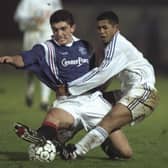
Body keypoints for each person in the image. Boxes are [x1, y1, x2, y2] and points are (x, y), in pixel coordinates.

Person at [0, 9, 132, 160]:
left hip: (93, 101)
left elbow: (97, 74)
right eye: (55, 30)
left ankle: (102, 141)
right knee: (53, 115)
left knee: (125, 152)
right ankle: (40, 136)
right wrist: (10, 59)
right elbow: (24, 58)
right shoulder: (45, 49)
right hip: (68, 103)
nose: (59, 34)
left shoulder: (85, 47)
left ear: (72, 28)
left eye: (63, 28)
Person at [60, 11, 159, 159]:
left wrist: (70, 88)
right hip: (129, 92)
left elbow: (102, 74)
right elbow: (107, 77)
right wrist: (92, 93)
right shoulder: (112, 46)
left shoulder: (117, 46)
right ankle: (60, 137)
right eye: (99, 28)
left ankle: (75, 151)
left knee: (108, 120)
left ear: (115, 28)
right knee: (90, 103)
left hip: (144, 93)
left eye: (105, 27)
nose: (101, 31)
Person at [14, 0, 63, 111]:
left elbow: (61, 16)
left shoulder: (54, 1)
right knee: (29, 65)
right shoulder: (28, 1)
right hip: (31, 34)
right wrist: (32, 19)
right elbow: (18, 16)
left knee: (47, 66)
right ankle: (29, 90)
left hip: (47, 34)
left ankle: (44, 100)